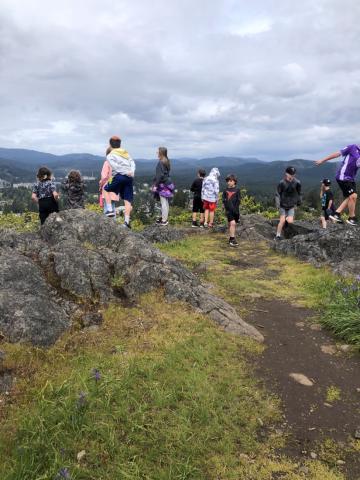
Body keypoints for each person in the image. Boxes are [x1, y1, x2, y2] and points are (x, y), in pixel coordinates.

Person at [315, 144, 360, 225]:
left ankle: (336, 214)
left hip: (351, 178)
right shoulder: (353, 147)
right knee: (353, 196)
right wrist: (323, 160)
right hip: (343, 176)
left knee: (351, 197)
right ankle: (352, 218)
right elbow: (337, 154)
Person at [103, 136, 135, 228]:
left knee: (106, 189)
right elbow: (132, 162)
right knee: (127, 200)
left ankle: (109, 210)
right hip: (129, 178)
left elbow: (116, 167)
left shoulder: (110, 155)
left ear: (110, 144)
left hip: (119, 176)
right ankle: (127, 222)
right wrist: (131, 172)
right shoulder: (126, 153)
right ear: (120, 144)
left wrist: (124, 172)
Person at [274, 166, 302, 240]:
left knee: (290, 221)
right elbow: (277, 194)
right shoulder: (282, 183)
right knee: (282, 220)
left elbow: (299, 193)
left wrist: (299, 202)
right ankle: (277, 236)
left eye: (293, 174)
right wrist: (277, 204)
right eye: (291, 174)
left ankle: (287, 221)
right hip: (282, 205)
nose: (292, 176)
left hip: (291, 205)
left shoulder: (297, 182)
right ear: (286, 174)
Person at [152, 147, 174, 226]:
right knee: (166, 202)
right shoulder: (166, 161)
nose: (156, 152)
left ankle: (164, 220)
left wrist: (155, 185)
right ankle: (165, 218)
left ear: (161, 153)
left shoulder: (160, 162)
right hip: (168, 183)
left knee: (163, 202)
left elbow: (159, 175)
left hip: (162, 184)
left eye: (157, 151)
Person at [99, 147, 120, 219]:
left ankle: (107, 227)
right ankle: (114, 225)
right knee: (113, 207)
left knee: (107, 209)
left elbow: (104, 177)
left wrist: (101, 184)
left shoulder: (107, 163)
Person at [222, 174, 241, 247]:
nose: (228, 182)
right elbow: (224, 200)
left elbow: (239, 200)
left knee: (232, 224)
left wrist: (236, 210)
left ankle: (230, 238)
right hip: (228, 211)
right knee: (232, 223)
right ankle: (232, 240)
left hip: (235, 211)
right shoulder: (225, 190)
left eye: (230, 181)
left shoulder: (237, 190)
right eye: (227, 181)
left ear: (234, 181)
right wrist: (225, 207)